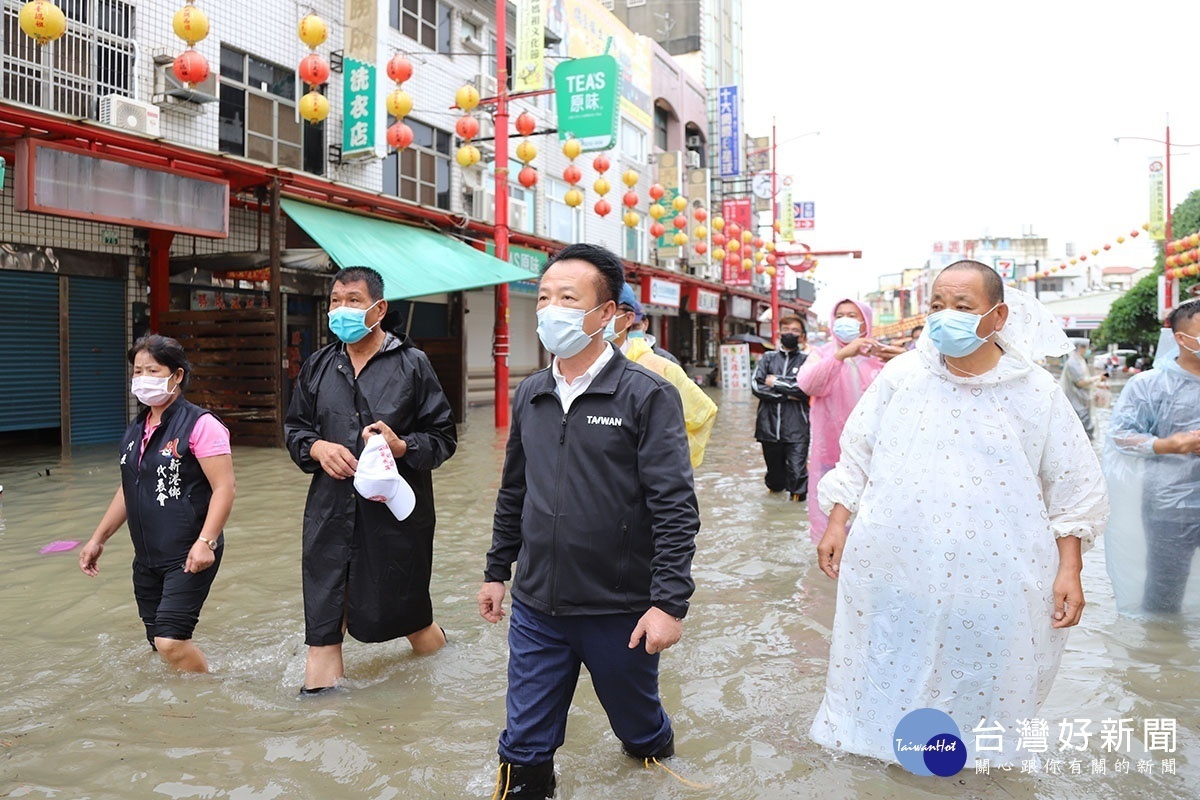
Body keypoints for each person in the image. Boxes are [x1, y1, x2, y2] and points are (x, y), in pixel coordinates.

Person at [810, 261, 1109, 767]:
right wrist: (838, 521)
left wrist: (1070, 568)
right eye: (937, 306)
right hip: (898, 563)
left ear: (998, 317)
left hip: (997, 573)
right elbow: (857, 451)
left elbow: (1073, 486)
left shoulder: (1034, 392)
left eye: (963, 307)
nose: (945, 317)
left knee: (983, 674)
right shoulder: (902, 377)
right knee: (892, 660)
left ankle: (974, 768)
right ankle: (889, 759)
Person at [478, 244, 700, 798]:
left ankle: (654, 762)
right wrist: (496, 570)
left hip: (618, 608)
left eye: (569, 298)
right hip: (537, 605)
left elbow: (675, 506)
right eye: (545, 298)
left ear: (606, 314)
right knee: (522, 746)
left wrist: (669, 604)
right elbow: (514, 491)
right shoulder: (531, 393)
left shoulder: (647, 395)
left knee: (638, 731)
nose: (551, 309)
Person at [285, 266, 457, 694]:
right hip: (328, 515)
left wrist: (401, 448)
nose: (342, 309)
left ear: (378, 308)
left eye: (353, 300)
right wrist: (316, 448)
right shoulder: (318, 365)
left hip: (394, 519)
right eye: (335, 301)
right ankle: (320, 729)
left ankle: (448, 671)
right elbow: (294, 430)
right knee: (323, 625)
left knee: (411, 619)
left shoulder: (412, 364)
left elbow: (443, 437)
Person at [78, 335, 235, 673]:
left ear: (177, 375)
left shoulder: (200, 424)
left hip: (190, 553)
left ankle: (206, 699)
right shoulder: (137, 429)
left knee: (171, 642)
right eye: (138, 370)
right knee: (158, 644)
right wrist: (97, 539)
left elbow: (225, 487)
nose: (143, 378)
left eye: (153, 370)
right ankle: (176, 702)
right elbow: (129, 488)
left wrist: (206, 542)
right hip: (147, 558)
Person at [1104, 299, 1200, 614]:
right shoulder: (1149, 386)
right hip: (1170, 506)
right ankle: (1162, 658)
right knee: (1164, 593)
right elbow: (1120, 435)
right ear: (1182, 339)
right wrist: (1169, 445)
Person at [796, 299, 902, 544]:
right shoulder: (821, 355)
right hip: (830, 452)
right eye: (840, 315)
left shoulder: (883, 357)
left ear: (865, 321)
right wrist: (841, 355)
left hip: (879, 453)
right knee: (828, 511)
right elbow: (808, 384)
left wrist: (904, 359)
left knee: (876, 517)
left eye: (853, 315)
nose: (846, 320)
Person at [607, 283, 718, 468]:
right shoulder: (560, 369)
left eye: (608, 310)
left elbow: (702, 414)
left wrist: (667, 465)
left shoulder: (661, 366)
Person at [751, 315, 811, 501]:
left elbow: (805, 387)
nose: (789, 334)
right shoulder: (768, 358)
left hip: (797, 428)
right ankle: (774, 517)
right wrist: (787, 394)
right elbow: (756, 386)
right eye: (786, 330)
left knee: (797, 474)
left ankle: (796, 512)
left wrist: (775, 381)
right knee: (774, 477)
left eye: (795, 331)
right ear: (779, 333)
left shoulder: (807, 361)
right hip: (768, 428)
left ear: (802, 336)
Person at [1060, 337, 1106, 439]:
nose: (1086, 350)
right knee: (1083, 427)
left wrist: (1097, 383)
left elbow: (1085, 380)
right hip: (1075, 399)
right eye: (1084, 347)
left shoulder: (1080, 360)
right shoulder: (1073, 362)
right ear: (1077, 348)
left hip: (1082, 398)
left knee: (1085, 427)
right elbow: (1080, 382)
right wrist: (1096, 378)